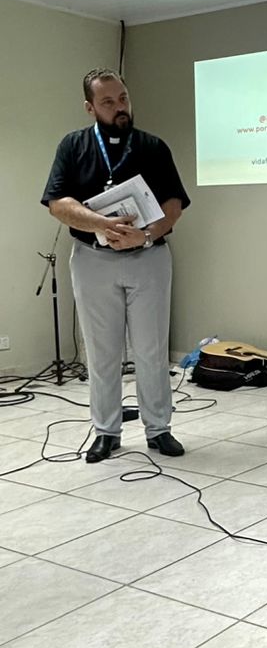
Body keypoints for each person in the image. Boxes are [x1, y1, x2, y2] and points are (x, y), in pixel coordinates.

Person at [41, 69, 189, 463]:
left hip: (148, 257)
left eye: (123, 98)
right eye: (108, 102)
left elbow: (174, 204)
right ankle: (106, 432)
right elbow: (58, 203)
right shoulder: (73, 146)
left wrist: (145, 235)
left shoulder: (153, 146)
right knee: (101, 352)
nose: (120, 107)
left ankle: (159, 429)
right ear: (90, 107)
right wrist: (101, 224)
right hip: (92, 258)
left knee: (152, 350)